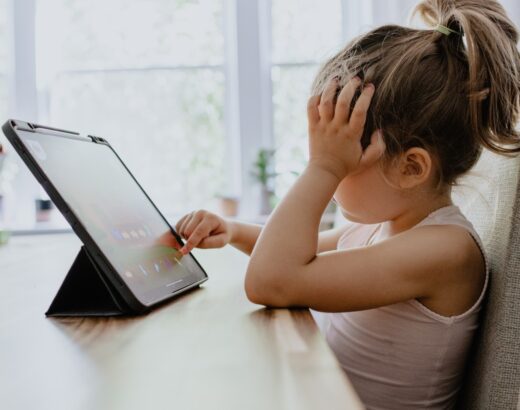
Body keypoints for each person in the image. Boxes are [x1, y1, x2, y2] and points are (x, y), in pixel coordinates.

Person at [175, 0, 520, 407]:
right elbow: (300, 253)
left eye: (343, 160)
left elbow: (271, 280)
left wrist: (323, 168)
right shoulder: (385, 227)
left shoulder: (446, 251)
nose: (330, 175)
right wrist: (232, 230)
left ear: (411, 167)